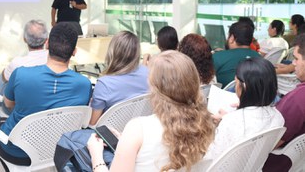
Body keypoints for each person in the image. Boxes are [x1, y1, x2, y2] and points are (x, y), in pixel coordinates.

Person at [87, 51, 215, 171]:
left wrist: (96, 156)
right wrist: (127, 143)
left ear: (155, 88)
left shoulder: (138, 128)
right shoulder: (206, 123)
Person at [0, 22, 92, 168]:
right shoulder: (84, 84)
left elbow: (8, 104)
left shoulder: (21, 74)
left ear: (47, 44)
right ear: (74, 52)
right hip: (61, 149)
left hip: (18, 151)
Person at [205, 57, 285, 160]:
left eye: (236, 79)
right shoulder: (278, 117)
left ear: (243, 87)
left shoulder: (231, 122)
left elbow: (211, 158)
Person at [263, 33, 305, 171]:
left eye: (296, 59)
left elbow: (269, 145)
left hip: (274, 163)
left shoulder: (298, 99)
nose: (293, 63)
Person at [89, 31, 149, 126]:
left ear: (112, 51)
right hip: (141, 132)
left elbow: (93, 123)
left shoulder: (104, 84)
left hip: (111, 136)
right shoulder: (149, 74)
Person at [0, 19, 49, 114]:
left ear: (24, 39)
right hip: (45, 108)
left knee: (2, 79)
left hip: (20, 112)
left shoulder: (17, 63)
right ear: (46, 39)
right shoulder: (54, 60)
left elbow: (4, 79)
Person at [213, 21, 261, 88]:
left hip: (223, 96)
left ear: (232, 38)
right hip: (252, 96)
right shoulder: (259, 58)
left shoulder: (217, 57)